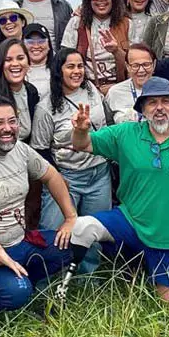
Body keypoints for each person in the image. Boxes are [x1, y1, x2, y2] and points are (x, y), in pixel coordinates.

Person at [63, 78, 169, 303]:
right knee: (83, 227)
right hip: (130, 221)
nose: (160, 108)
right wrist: (80, 130)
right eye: (152, 102)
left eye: (166, 101)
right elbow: (82, 145)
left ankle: (146, 269)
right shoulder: (125, 133)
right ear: (142, 109)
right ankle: (69, 285)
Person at [0, 96, 79, 313]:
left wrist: (70, 217)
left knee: (75, 243)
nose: (8, 128)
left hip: (21, 241)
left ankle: (23, 278)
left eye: (12, 121)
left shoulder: (19, 149)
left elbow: (52, 176)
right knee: (17, 292)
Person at [31, 49, 113, 272]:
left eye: (80, 66)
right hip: (66, 176)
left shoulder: (92, 90)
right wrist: (57, 178)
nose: (77, 71)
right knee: (53, 231)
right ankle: (48, 282)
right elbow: (39, 149)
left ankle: (89, 282)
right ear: (59, 71)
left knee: (94, 231)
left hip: (99, 173)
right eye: (70, 67)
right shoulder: (45, 107)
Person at [61, 0, 131, 92]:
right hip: (85, 88)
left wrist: (116, 50)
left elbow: (134, 63)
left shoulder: (127, 24)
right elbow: (64, 59)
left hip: (119, 88)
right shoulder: (76, 23)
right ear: (88, 0)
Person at [104, 44, 169, 126]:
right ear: (128, 67)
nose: (141, 70)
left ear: (154, 65)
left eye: (146, 65)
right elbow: (109, 125)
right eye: (135, 65)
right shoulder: (114, 93)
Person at [22, 23, 55, 105]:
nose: (36, 46)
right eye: (30, 42)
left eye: (41, 41)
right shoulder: (16, 71)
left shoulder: (60, 69)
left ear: (49, 45)